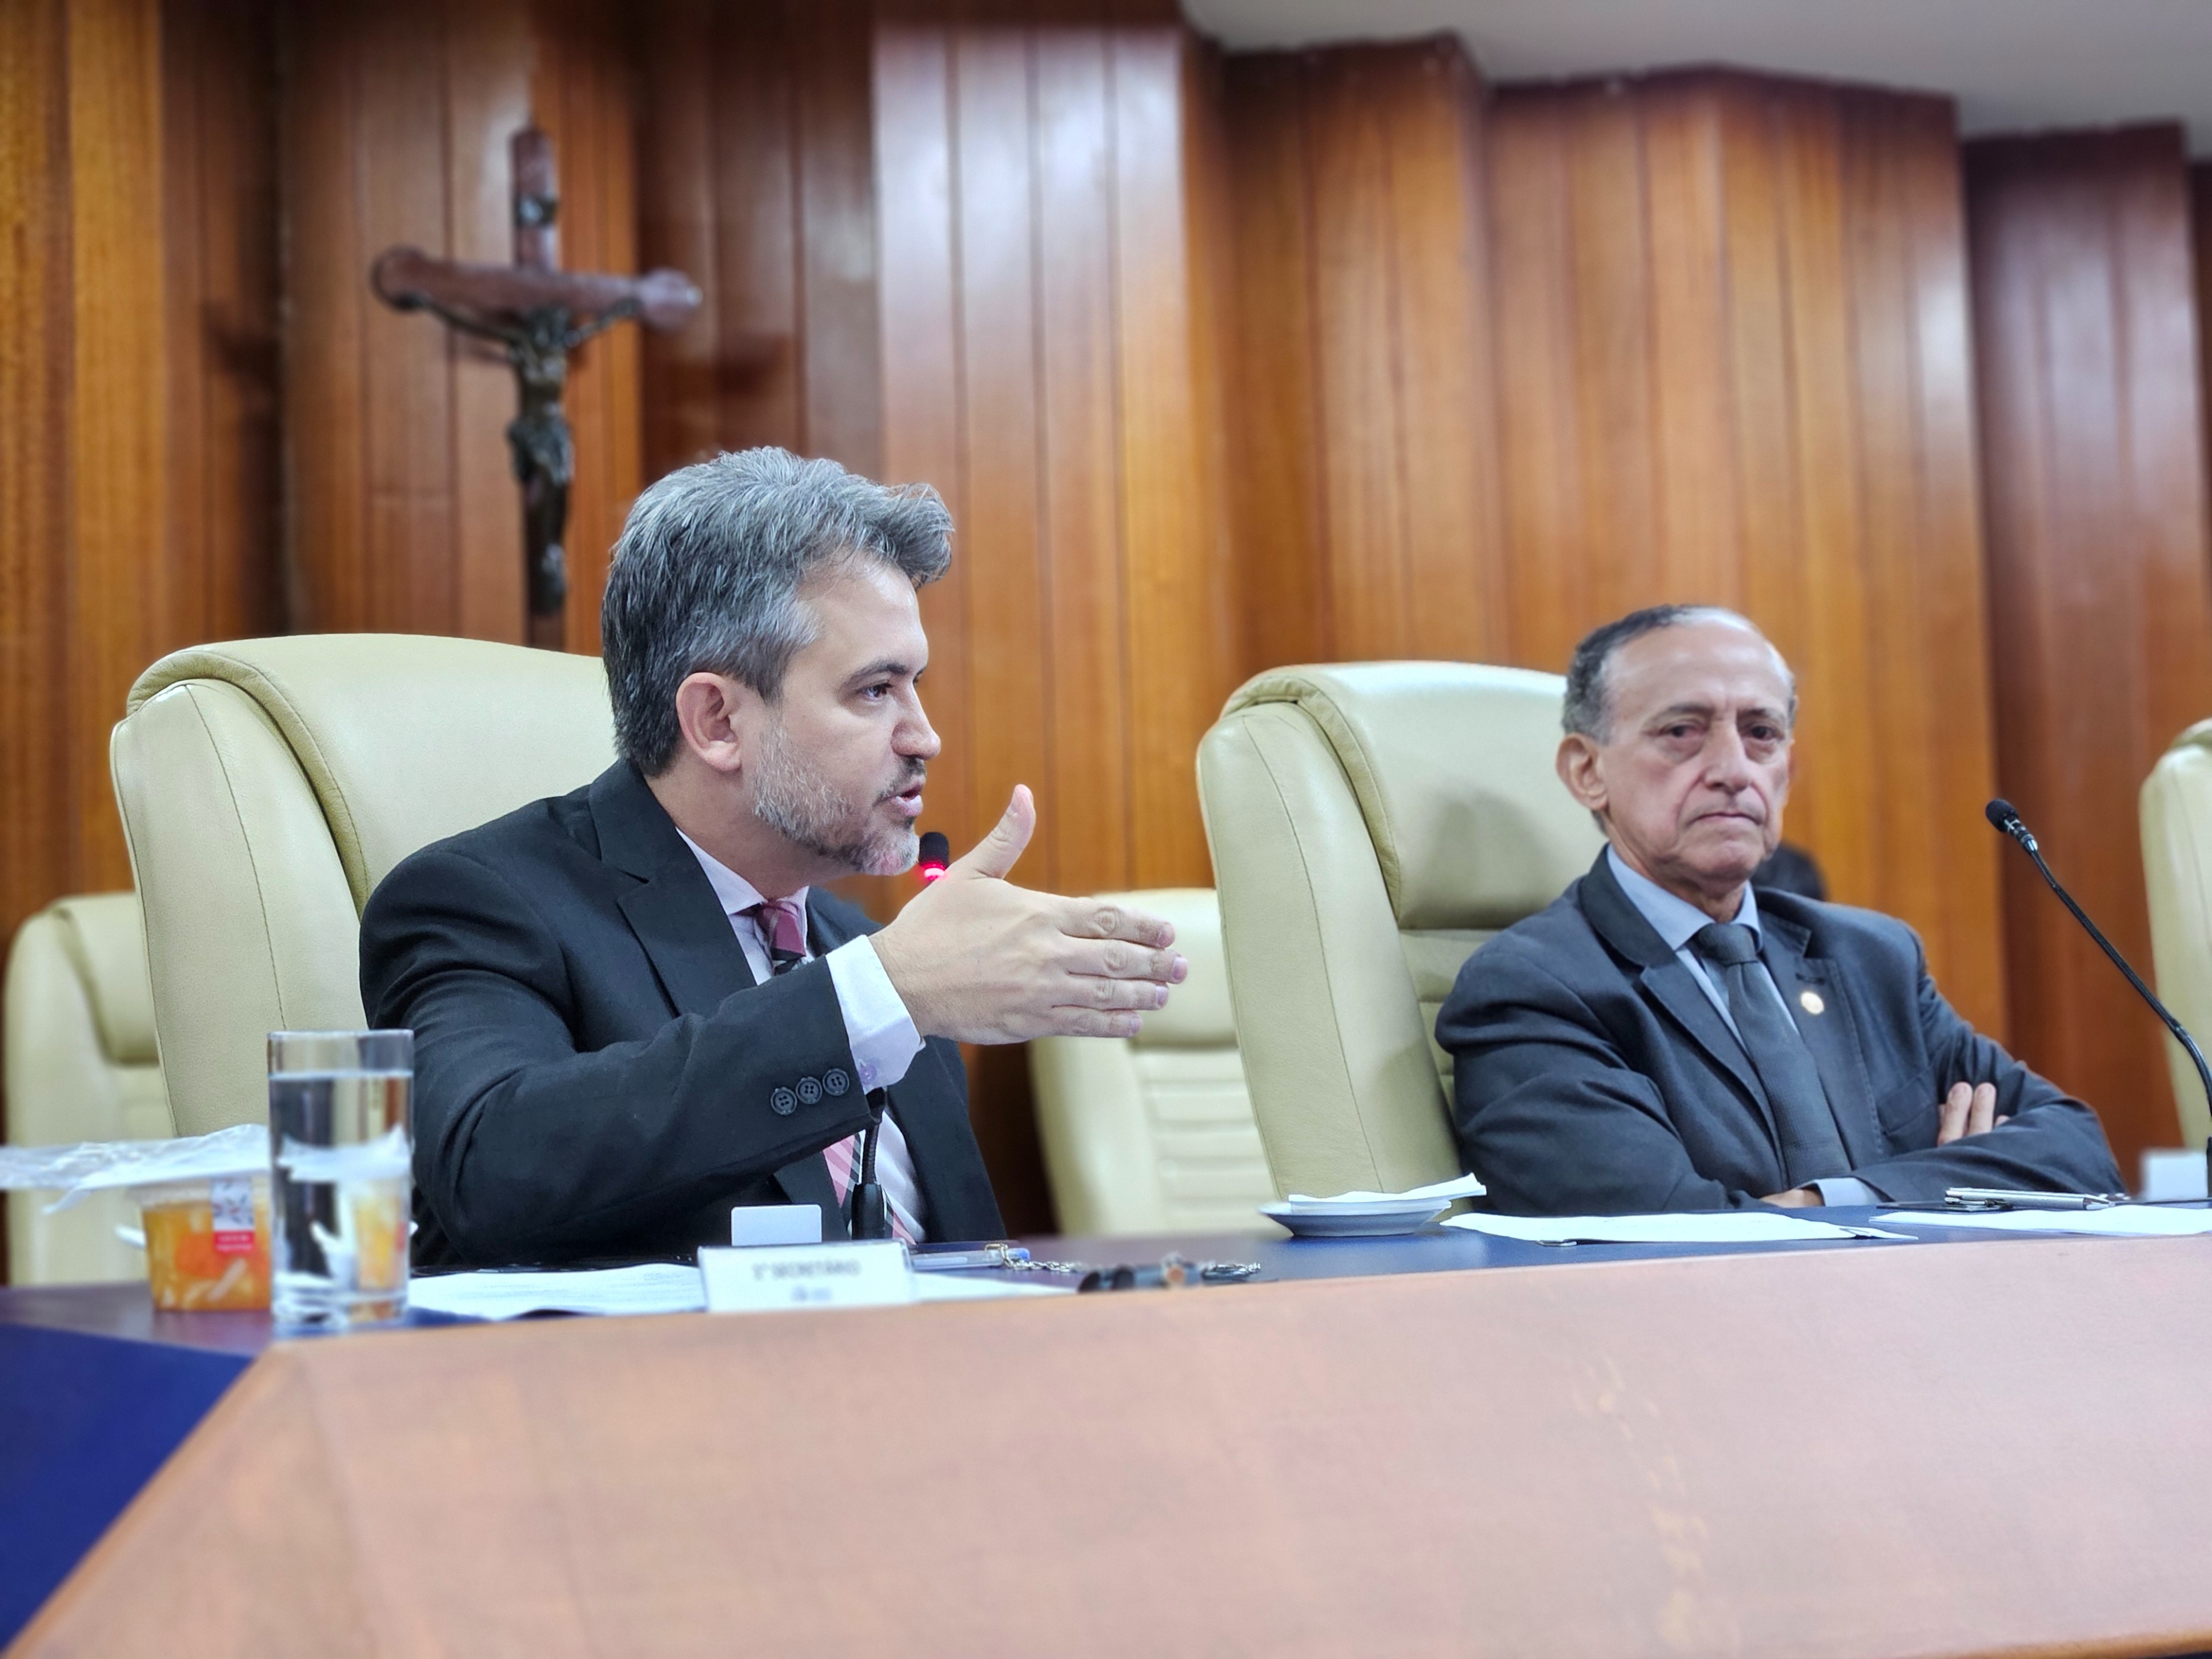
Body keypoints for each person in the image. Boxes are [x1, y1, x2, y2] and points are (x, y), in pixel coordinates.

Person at [362, 448, 1187, 1266]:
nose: (924, 737)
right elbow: (488, 1168)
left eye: (916, 685)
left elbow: (969, 1265)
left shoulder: (864, 948)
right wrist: (878, 996)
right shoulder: (479, 904)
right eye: (875, 690)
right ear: (718, 722)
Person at [1436, 604, 2121, 1214]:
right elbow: (1664, 1232)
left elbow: (2077, 1150)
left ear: (1785, 774)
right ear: (1587, 772)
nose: (1733, 770)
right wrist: (1948, 1182)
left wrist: (1830, 1199)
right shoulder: (1535, 989)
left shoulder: (1871, 958)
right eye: (1681, 731)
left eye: (1760, 733)